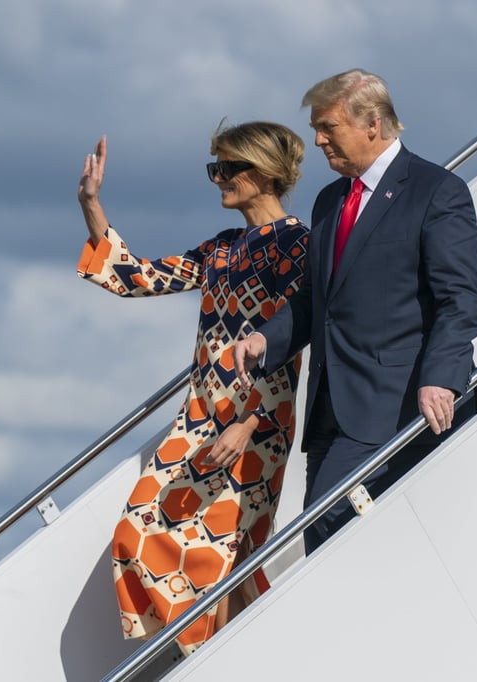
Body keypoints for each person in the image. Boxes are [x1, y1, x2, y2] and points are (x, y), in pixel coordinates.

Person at [76, 121, 309, 656]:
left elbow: (295, 338)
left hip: (257, 426)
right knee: (137, 536)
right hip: (199, 419)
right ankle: (245, 658)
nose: (218, 179)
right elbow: (137, 277)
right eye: (215, 169)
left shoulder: (298, 246)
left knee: (223, 554)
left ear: (264, 173)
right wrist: (92, 204)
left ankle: (218, 661)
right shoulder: (222, 250)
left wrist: (250, 424)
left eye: (228, 169)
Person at [234, 69, 477, 554]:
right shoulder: (330, 201)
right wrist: (267, 339)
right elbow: (315, 299)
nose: (317, 138)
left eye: (328, 126)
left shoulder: (436, 191)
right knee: (324, 540)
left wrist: (443, 377)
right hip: (330, 408)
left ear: (373, 122)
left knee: (328, 524)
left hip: (396, 403)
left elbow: (460, 298)